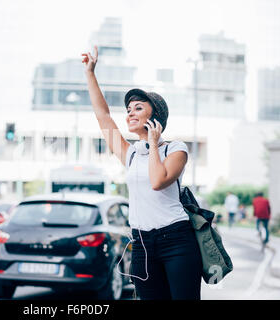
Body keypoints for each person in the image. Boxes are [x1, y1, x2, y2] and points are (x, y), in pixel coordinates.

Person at [81, 47, 202, 300]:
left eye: (137, 108)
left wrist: (155, 143)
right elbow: (103, 116)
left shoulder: (175, 149)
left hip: (177, 241)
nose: (129, 113)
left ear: (154, 114)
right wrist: (91, 73)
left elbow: (157, 181)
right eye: (128, 110)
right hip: (142, 245)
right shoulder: (131, 154)